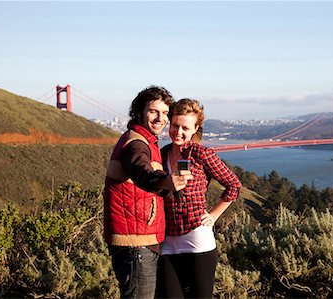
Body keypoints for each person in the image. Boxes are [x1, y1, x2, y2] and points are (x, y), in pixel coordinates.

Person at [103, 86, 193, 299]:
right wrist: (164, 181)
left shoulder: (148, 142)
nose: (160, 118)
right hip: (135, 242)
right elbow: (142, 172)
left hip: (145, 237)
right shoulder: (136, 144)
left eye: (165, 113)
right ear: (140, 113)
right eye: (153, 111)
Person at [157, 98, 242, 298]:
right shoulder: (162, 154)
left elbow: (234, 185)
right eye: (175, 125)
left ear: (195, 128)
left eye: (185, 128)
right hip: (168, 241)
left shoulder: (201, 153)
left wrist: (213, 215)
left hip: (197, 240)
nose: (178, 132)